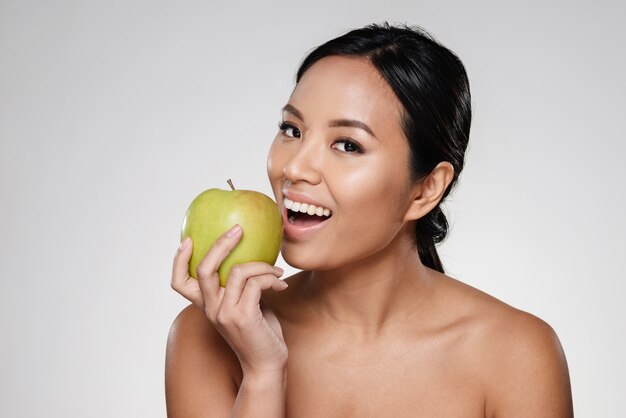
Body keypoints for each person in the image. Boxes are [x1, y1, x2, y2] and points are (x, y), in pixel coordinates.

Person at [166, 23, 573, 417]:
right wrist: (263, 374)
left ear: (426, 189)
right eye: (292, 130)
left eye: (347, 144)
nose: (296, 167)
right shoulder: (205, 337)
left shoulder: (516, 354)